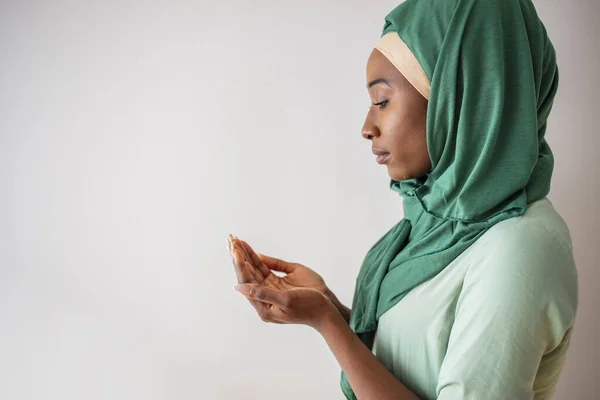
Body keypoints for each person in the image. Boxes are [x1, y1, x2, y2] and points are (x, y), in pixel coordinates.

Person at [228, 0, 578, 398]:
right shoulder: (438, 224)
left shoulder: (521, 245)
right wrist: (326, 306)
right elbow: (413, 365)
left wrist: (328, 322)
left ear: (459, 96)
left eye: (381, 101)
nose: (366, 127)